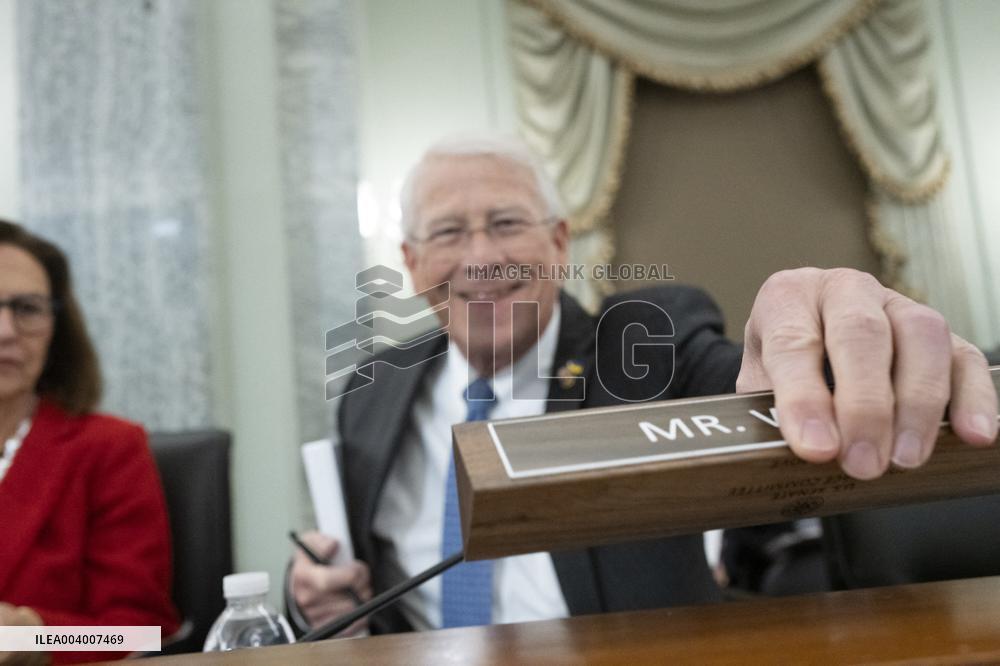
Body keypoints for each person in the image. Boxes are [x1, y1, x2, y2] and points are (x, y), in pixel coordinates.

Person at [288, 134, 997, 635]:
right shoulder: (371, 389)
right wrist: (324, 601)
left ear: (560, 244)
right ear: (411, 263)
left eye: (507, 224)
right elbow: (365, 584)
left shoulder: (644, 344)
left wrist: (827, 335)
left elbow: (758, 391)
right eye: (448, 233)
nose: (481, 256)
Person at [0, 220, 179, 664]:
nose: (6, 330)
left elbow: (139, 635)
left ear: (57, 325)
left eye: (27, 308)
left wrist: (32, 638)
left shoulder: (109, 449)